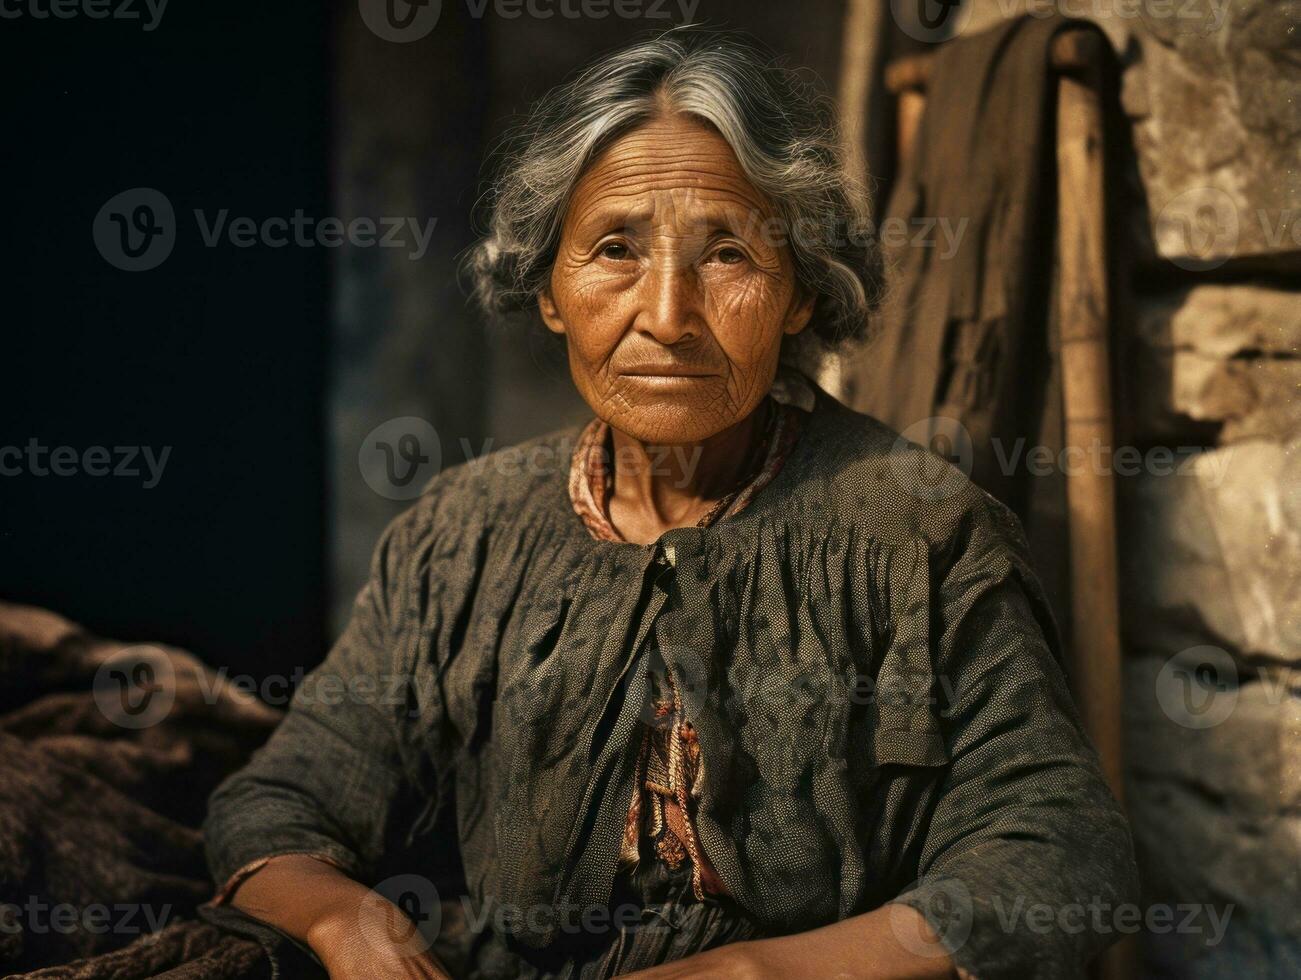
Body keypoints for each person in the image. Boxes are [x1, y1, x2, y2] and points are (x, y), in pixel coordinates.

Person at [203, 27, 1139, 980]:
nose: (665, 316)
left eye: (727, 254)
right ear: (551, 290)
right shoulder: (462, 533)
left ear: (800, 290)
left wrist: (758, 973)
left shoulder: (920, 530)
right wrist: (347, 924)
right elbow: (280, 799)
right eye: (614, 249)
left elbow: (1056, 852)